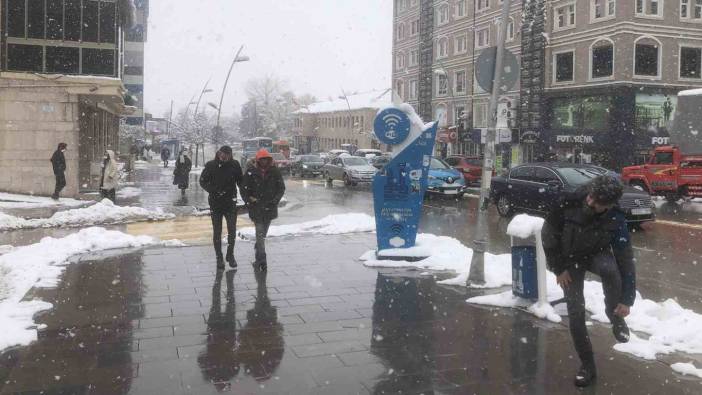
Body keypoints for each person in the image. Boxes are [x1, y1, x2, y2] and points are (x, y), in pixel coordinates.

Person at [541, 175, 636, 387]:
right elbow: (548, 235)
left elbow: (625, 259)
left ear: (610, 206)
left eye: (598, 203)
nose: (590, 203)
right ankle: (588, 365)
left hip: (595, 253)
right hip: (568, 260)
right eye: (591, 197)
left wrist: (626, 299)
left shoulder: (616, 218)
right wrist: (559, 268)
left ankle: (616, 317)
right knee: (576, 312)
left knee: (611, 270)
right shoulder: (569, 201)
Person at [199, 146, 244, 270]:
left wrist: (248, 195)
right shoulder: (211, 165)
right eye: (223, 154)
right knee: (217, 231)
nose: (225, 157)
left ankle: (230, 254)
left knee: (232, 230)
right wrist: (213, 190)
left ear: (231, 155)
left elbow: (241, 182)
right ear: (219, 153)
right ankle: (219, 257)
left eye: (228, 154)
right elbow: (202, 181)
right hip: (216, 203)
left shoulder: (235, 165)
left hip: (230, 202)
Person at [242, 149, 286, 272]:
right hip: (256, 209)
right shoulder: (251, 172)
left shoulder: (275, 172)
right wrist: (249, 200)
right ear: (258, 160)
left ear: (269, 160)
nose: (264, 161)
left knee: (262, 236)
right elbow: (244, 189)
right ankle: (263, 261)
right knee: (260, 234)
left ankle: (258, 256)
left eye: (266, 159)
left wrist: (275, 200)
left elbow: (281, 188)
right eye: (262, 159)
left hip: (269, 208)